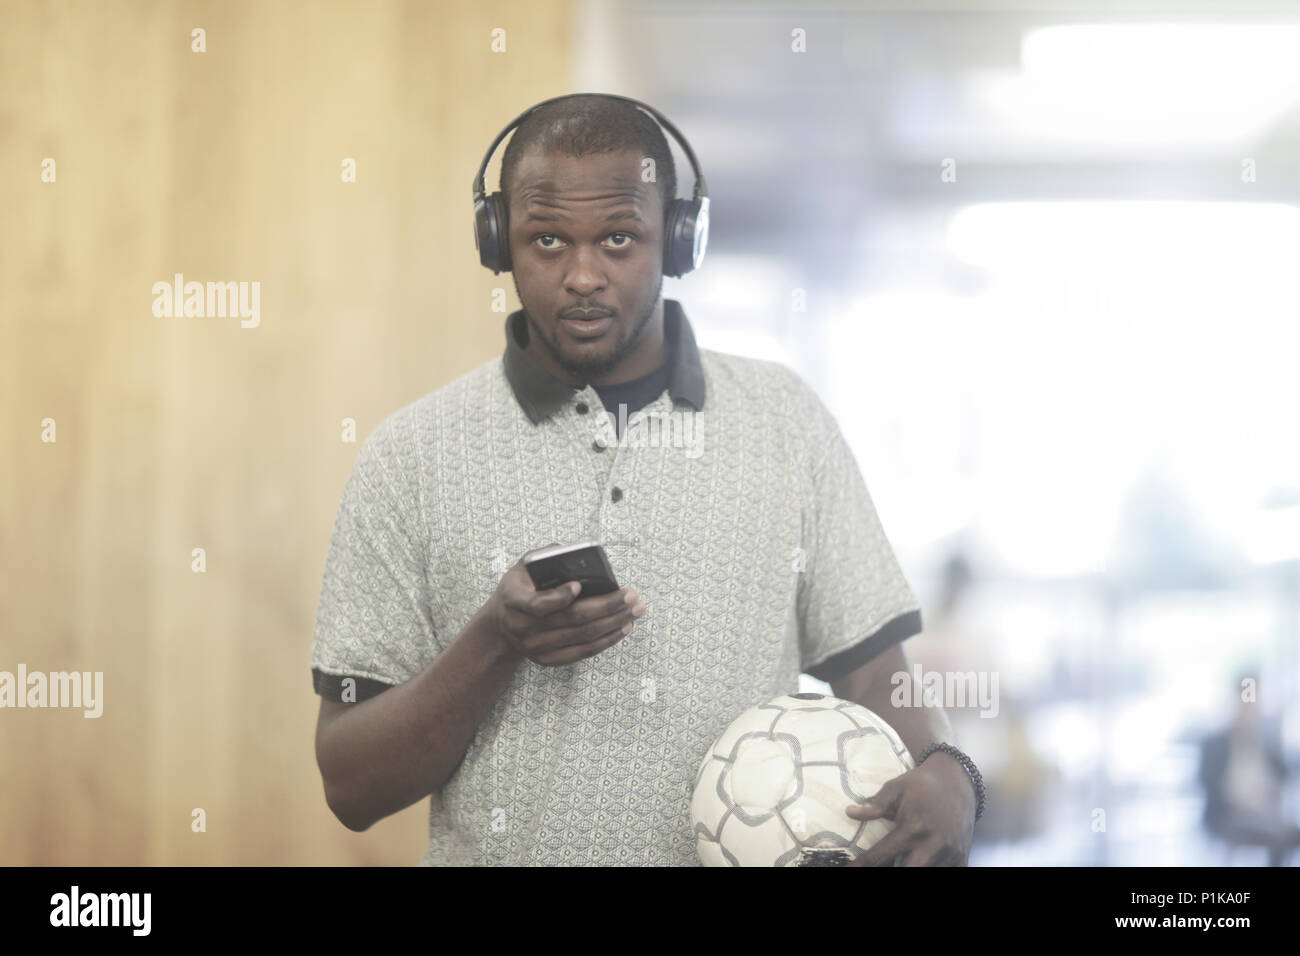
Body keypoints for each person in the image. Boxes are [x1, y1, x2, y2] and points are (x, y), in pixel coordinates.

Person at [310, 93, 979, 865]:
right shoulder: (409, 457)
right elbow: (350, 786)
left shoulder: (786, 423)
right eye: (548, 238)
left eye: (620, 238)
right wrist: (496, 642)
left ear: (678, 240)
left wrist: (950, 768)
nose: (583, 275)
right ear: (498, 242)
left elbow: (875, 678)